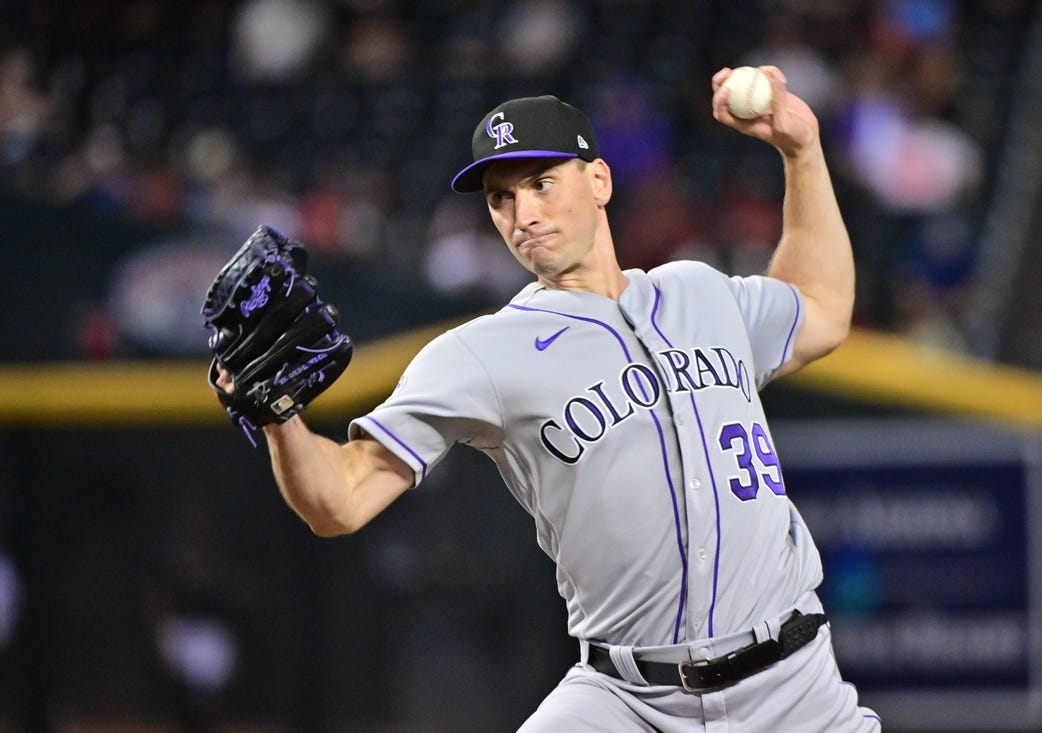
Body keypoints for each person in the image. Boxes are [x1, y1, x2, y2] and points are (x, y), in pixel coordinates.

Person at [217, 65, 882, 731]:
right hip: (630, 699)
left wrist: (802, 150)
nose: (523, 213)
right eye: (500, 198)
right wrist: (282, 418)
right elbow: (341, 499)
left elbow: (821, 306)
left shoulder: (699, 293)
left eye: (541, 182)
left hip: (796, 688)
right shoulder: (481, 352)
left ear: (599, 180)